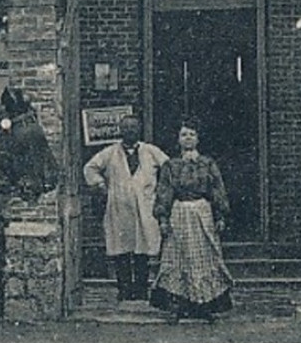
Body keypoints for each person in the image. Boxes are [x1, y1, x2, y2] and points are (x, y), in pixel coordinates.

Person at [149, 118, 235, 323]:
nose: (188, 138)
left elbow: (217, 190)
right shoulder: (171, 166)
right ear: (178, 140)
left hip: (202, 213)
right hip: (179, 213)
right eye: (184, 135)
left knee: (204, 257)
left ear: (198, 139)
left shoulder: (207, 164)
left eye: (192, 134)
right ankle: (180, 305)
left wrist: (221, 215)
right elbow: (164, 192)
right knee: (178, 257)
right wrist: (162, 218)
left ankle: (205, 305)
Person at [82, 113, 168, 303]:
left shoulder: (150, 151)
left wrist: (161, 189)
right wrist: (100, 185)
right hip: (119, 207)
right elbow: (90, 168)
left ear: (139, 130)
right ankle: (124, 290)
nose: (130, 131)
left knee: (142, 250)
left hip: (144, 207)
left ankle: (141, 290)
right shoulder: (110, 152)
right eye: (126, 127)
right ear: (120, 130)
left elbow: (169, 169)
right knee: (122, 250)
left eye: (133, 127)